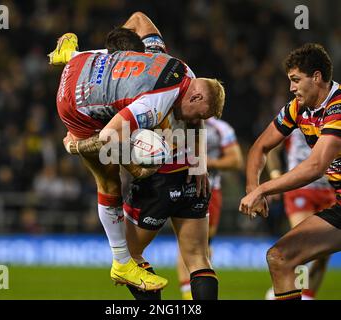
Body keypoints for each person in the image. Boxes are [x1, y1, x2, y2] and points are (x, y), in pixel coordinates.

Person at [49, 12, 225, 297]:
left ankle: (121, 263)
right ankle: (70, 53)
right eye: (202, 112)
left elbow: (108, 139)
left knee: (128, 249)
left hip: (159, 180)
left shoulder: (158, 78)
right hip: (187, 174)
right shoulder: (167, 78)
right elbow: (142, 20)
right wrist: (197, 161)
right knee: (198, 259)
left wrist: (76, 147)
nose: (199, 119)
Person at [239, 43, 341, 300]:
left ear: (316, 77)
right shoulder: (297, 109)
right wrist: (253, 189)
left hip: (326, 193)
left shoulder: (338, 107)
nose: (291, 88)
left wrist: (264, 188)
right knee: (280, 257)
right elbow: (260, 148)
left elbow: (316, 166)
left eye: (296, 80)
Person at [265, 128, 336, 300]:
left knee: (323, 254)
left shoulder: (335, 116)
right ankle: (297, 292)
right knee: (303, 244)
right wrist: (275, 175)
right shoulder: (297, 114)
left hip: (331, 189)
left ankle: (308, 295)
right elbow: (272, 148)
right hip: (301, 189)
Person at [178, 118, 243, 300]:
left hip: (209, 189)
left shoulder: (221, 128)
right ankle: (188, 296)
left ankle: (196, 291)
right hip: (179, 186)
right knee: (187, 243)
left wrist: (205, 163)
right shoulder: (177, 121)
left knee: (203, 245)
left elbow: (236, 161)